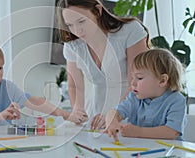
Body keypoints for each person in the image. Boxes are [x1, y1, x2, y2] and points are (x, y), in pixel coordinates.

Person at [56, 0, 149, 130]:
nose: (77, 30)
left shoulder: (129, 31)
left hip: (127, 115)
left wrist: (113, 115)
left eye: (82, 21)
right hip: (93, 118)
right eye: (70, 25)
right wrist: (78, 110)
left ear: (98, 11)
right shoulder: (73, 45)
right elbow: (75, 85)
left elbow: (136, 82)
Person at [0, 39, 88, 128]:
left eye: (0, 67)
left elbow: (34, 101)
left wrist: (65, 114)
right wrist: (0, 116)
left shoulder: (6, 87)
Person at [104, 48, 186, 141]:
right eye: (132, 77)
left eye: (139, 78)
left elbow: (172, 132)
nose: (132, 83)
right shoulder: (134, 97)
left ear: (162, 80)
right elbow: (115, 112)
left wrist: (139, 132)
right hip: (141, 150)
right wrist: (112, 121)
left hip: (169, 152)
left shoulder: (176, 100)